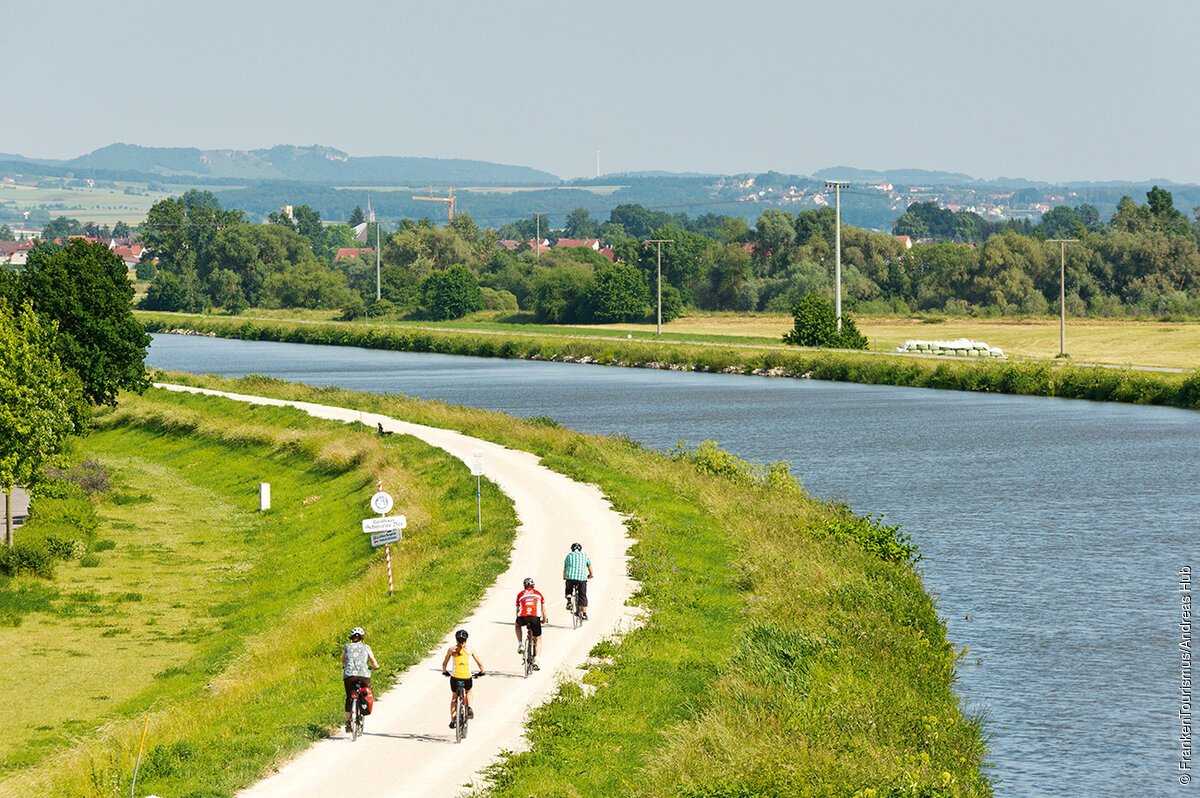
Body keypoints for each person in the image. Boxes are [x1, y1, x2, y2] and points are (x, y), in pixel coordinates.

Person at [441, 629, 485, 728]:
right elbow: (480, 664)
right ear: (466, 640)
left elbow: (444, 664)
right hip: (467, 677)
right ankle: (468, 707)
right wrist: (482, 672)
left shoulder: (451, 650)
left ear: (456, 639)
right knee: (469, 691)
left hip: (455, 678)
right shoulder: (470, 650)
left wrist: (445, 672)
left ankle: (453, 719)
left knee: (454, 698)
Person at [341, 626, 379, 732]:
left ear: (351, 638)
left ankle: (348, 723)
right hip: (364, 675)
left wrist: (344, 666)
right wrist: (375, 666)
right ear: (362, 638)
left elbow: (343, 660)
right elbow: (373, 661)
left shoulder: (347, 647)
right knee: (365, 691)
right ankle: (363, 704)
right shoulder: (366, 647)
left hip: (349, 675)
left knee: (349, 697)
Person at [514, 577, 549, 670]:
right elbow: (543, 609)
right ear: (533, 586)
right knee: (538, 639)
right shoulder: (538, 594)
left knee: (517, 625)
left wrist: (517, 618)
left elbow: (517, 609)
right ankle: (536, 659)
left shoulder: (520, 594)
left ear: (524, 586)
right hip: (535, 618)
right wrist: (544, 620)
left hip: (523, 617)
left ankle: (520, 644)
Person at [563, 542, 593, 620]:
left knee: (568, 589)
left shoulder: (569, 556)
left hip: (570, 577)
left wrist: (564, 577)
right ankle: (584, 614)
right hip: (581, 578)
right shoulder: (584, 555)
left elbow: (565, 568)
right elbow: (589, 567)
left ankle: (569, 601)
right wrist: (590, 574)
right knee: (583, 595)